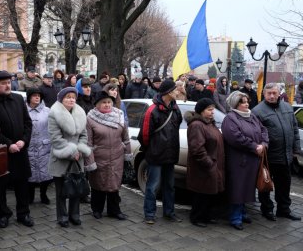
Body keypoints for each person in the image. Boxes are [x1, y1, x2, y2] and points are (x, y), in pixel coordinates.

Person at [0, 70, 34, 229]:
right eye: (3, 83)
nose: (8, 86)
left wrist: (23, 141)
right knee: (0, 185)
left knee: (22, 183)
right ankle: (3, 214)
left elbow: (27, 123)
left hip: (20, 149)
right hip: (1, 150)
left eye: (9, 82)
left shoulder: (18, 98)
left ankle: (23, 213)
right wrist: (8, 144)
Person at [252, 83, 301, 221]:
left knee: (284, 185)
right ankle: (267, 209)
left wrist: (296, 149)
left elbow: (295, 129)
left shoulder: (287, 107)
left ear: (279, 93)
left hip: (286, 156)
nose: (272, 96)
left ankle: (284, 209)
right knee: (265, 184)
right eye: (269, 93)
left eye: (274, 93)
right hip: (268, 157)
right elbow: (256, 134)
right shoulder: (257, 111)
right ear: (264, 94)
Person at [221, 91, 269, 230]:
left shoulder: (251, 116)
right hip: (238, 161)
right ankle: (235, 217)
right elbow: (235, 138)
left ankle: (242, 212)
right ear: (235, 104)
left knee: (247, 187)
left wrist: (264, 145)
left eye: (247, 101)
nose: (246, 104)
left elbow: (264, 130)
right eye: (242, 102)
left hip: (253, 160)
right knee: (237, 187)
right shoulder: (230, 118)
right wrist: (255, 146)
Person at [137, 80, 183, 224]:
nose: (178, 92)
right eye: (176, 90)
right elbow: (144, 135)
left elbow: (176, 127)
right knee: (152, 186)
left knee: (169, 186)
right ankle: (149, 214)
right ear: (168, 92)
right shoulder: (152, 110)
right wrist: (151, 150)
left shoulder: (176, 109)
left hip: (170, 155)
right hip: (156, 155)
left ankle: (169, 212)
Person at [48, 87, 91, 227]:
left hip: (78, 157)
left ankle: (75, 215)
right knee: (61, 190)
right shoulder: (54, 113)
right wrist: (71, 151)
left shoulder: (80, 112)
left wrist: (80, 149)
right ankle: (62, 216)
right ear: (61, 99)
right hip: (61, 156)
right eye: (68, 97)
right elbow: (55, 138)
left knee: (76, 187)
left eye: (73, 97)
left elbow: (84, 134)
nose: (71, 99)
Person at [85, 91, 132, 220]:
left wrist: (128, 156)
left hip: (117, 156)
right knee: (98, 184)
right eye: (104, 102)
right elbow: (88, 142)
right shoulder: (90, 118)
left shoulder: (119, 115)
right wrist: (90, 162)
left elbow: (126, 138)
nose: (107, 105)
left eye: (109, 102)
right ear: (97, 105)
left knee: (114, 184)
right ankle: (97, 209)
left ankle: (114, 210)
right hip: (99, 157)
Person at [184, 98, 225, 228]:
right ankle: (197, 217)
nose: (212, 112)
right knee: (201, 193)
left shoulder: (210, 123)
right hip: (203, 167)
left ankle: (206, 216)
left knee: (209, 193)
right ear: (201, 111)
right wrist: (209, 163)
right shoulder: (197, 125)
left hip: (213, 165)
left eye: (213, 109)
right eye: (209, 109)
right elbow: (197, 149)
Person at [26, 87, 52, 205]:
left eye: (39, 95)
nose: (37, 97)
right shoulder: (23, 110)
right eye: (34, 95)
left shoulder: (48, 111)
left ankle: (43, 194)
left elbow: (53, 127)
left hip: (44, 146)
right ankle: (30, 196)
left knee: (45, 173)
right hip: (29, 146)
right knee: (30, 173)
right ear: (29, 97)